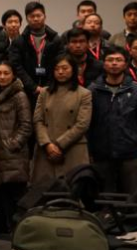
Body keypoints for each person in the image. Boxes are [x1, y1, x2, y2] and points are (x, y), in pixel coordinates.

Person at [88, 49, 137, 194]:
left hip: (130, 153)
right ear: (104, 64)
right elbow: (88, 124)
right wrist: (89, 151)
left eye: (118, 60)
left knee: (133, 198)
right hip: (101, 154)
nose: (114, 63)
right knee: (103, 198)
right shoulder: (93, 90)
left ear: (125, 64)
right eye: (110, 60)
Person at [31, 55, 93, 184]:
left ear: (73, 70)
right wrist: (47, 144)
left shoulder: (84, 94)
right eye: (57, 69)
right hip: (46, 150)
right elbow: (38, 120)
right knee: (44, 190)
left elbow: (82, 124)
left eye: (65, 68)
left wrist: (59, 144)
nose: (60, 72)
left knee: (73, 190)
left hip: (72, 149)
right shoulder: (44, 92)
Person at [0, 61, 32, 235]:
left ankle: (22, 236)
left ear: (13, 75)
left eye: (6, 73)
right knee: (3, 201)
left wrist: (12, 144)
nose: (2, 77)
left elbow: (26, 125)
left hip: (14, 156)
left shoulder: (19, 95)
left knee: (18, 200)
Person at [10, 1, 61, 102]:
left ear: (45, 16)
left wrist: (48, 86)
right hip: (26, 91)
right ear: (27, 18)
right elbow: (16, 66)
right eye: (32, 16)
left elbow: (59, 64)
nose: (36, 19)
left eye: (38, 15)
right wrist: (33, 87)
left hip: (51, 90)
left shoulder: (55, 40)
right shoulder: (19, 41)